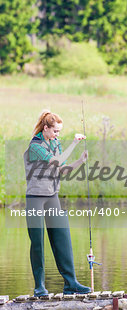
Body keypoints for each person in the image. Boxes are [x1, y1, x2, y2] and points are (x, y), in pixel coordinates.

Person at [24, 110, 91, 296]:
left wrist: (79, 162)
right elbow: (57, 161)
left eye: (59, 132)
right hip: (35, 199)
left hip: (52, 196)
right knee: (37, 243)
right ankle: (39, 287)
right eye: (55, 131)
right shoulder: (35, 146)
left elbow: (62, 170)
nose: (57, 135)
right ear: (45, 128)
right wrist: (75, 143)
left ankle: (71, 283)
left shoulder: (55, 144)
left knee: (62, 237)